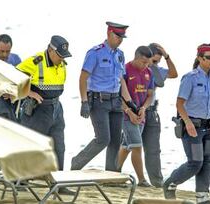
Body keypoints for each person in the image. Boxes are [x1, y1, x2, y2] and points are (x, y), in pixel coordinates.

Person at [163, 44, 210, 204]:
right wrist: (188, 123)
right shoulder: (190, 77)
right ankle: (171, 182)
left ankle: (202, 196)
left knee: (207, 162)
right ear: (199, 58)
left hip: (209, 127)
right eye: (209, 57)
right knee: (196, 162)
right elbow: (179, 104)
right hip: (192, 127)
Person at [71, 21, 133, 172]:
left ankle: (111, 174)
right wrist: (84, 101)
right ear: (109, 33)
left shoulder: (120, 55)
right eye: (118, 36)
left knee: (115, 140)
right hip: (98, 101)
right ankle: (77, 163)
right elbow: (83, 78)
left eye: (122, 37)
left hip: (116, 101)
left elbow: (121, 79)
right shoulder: (95, 53)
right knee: (103, 139)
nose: (120, 40)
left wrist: (130, 103)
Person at [16, 35, 73, 195]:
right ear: (50, 50)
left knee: (59, 147)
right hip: (38, 109)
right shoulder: (36, 61)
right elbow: (14, 77)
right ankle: (18, 179)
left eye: (64, 57)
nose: (61, 60)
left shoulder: (61, 63)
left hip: (56, 107)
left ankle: (58, 184)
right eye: (60, 56)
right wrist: (29, 93)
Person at [117, 46, 154, 187]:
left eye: (148, 62)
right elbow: (118, 95)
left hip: (141, 115)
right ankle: (142, 180)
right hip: (126, 115)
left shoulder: (149, 72)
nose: (146, 65)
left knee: (126, 146)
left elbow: (150, 95)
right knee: (137, 146)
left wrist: (144, 108)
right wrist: (128, 111)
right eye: (143, 62)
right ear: (136, 57)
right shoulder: (124, 70)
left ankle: (114, 172)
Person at [142, 43, 178, 188]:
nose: (154, 63)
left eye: (158, 61)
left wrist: (167, 56)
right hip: (135, 110)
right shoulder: (136, 68)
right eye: (153, 60)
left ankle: (157, 182)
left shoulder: (157, 71)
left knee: (153, 149)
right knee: (128, 145)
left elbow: (174, 74)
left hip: (151, 111)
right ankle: (115, 173)